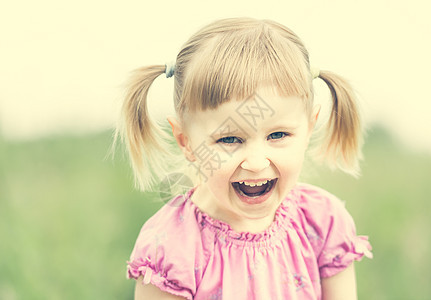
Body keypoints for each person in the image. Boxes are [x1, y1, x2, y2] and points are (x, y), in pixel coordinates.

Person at [117, 17, 372, 300]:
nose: (256, 162)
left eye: (278, 135)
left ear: (309, 127)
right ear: (185, 141)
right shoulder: (173, 248)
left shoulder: (322, 221)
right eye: (229, 139)